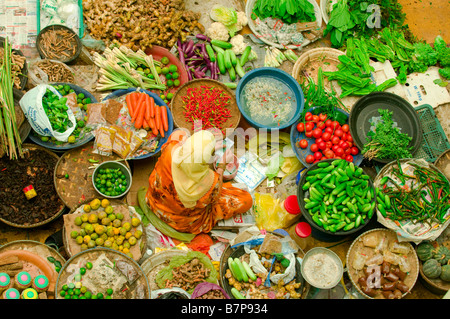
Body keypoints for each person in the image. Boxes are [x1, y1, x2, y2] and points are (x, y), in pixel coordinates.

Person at [145, 129, 253, 234]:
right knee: (246, 200)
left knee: (179, 133)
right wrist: (222, 165)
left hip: (154, 201)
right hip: (181, 222)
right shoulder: (208, 182)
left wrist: (205, 148)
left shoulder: (170, 149)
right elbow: (216, 195)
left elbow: (180, 142)